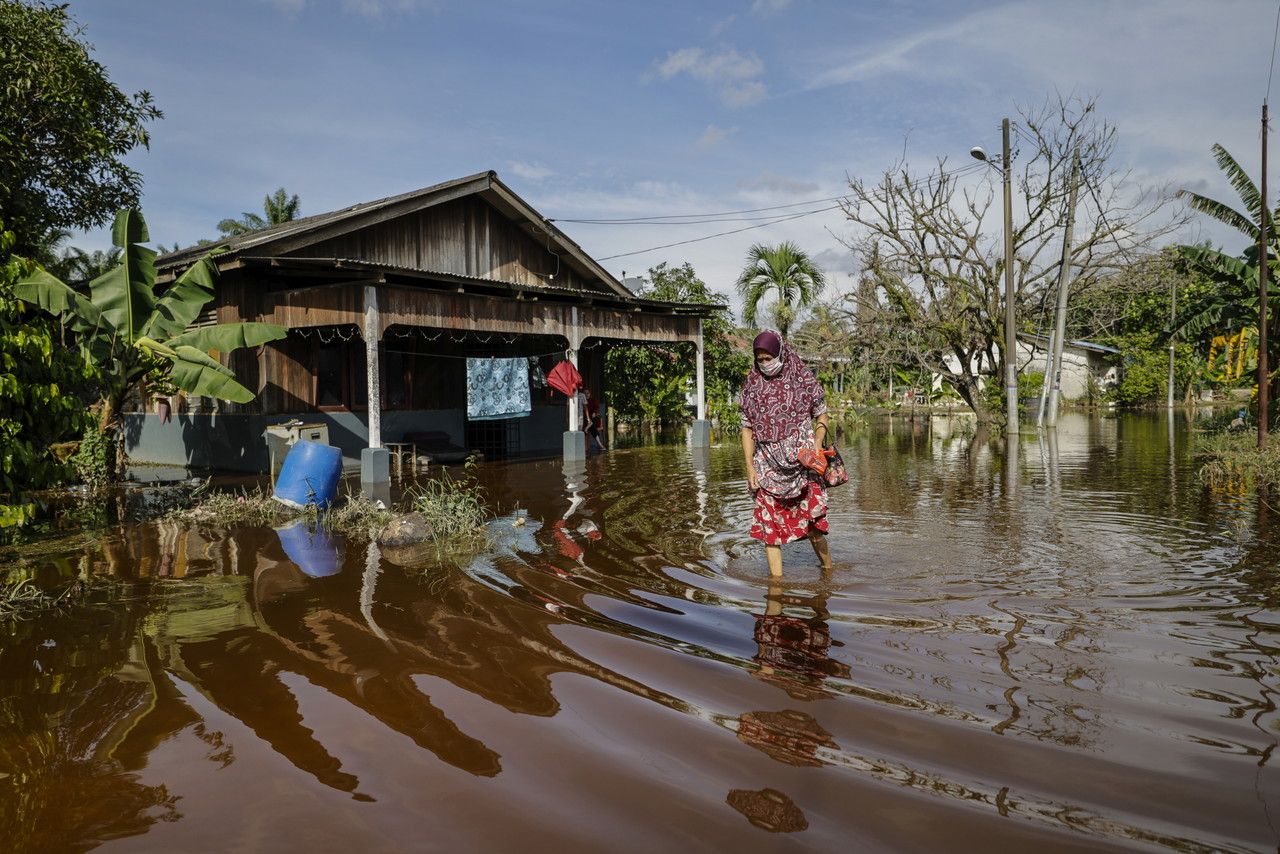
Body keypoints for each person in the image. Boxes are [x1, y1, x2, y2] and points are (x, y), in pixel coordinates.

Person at [740, 330, 833, 577]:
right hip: (767, 468)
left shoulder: (802, 379)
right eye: (759, 359)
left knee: (813, 526)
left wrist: (817, 441)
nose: (764, 364)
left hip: (802, 466)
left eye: (768, 358)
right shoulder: (752, 385)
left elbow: (821, 413)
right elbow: (746, 427)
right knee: (769, 530)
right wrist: (750, 467)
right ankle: (776, 588)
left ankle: (828, 570)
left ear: (780, 353)